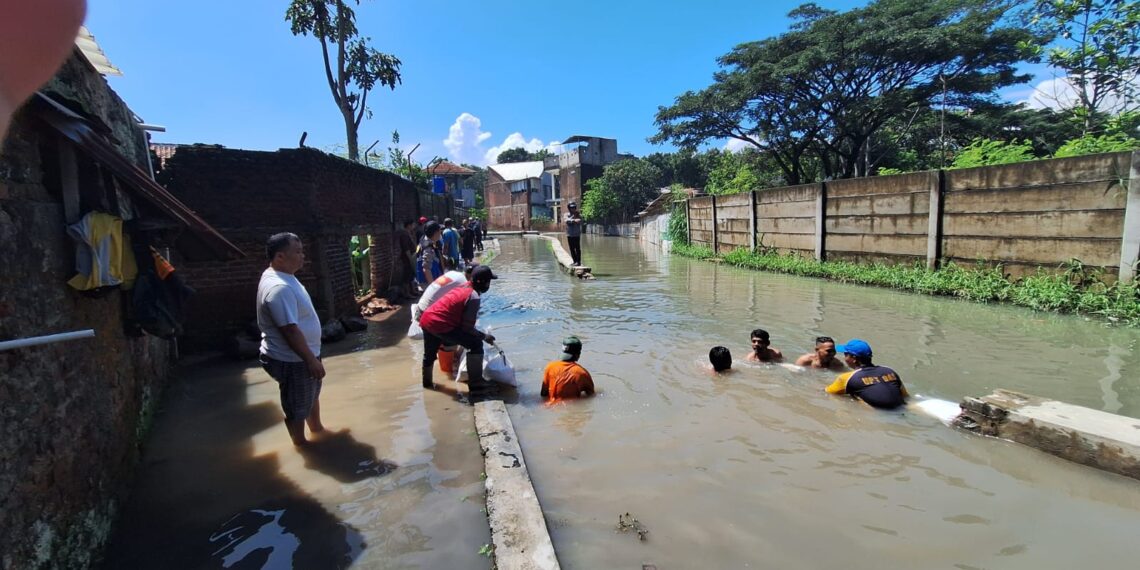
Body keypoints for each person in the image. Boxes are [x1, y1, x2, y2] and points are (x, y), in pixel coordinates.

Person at [257, 233, 326, 447]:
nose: (303, 256)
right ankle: (301, 445)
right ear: (279, 257)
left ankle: (318, 430)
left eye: (302, 251)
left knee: (311, 395)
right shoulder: (280, 288)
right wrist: (311, 360)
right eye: (297, 252)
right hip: (293, 359)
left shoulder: (283, 275)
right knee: (297, 405)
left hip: (305, 355)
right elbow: (290, 330)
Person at [419, 265, 499, 399]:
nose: (489, 284)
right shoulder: (473, 297)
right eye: (488, 281)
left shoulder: (463, 286)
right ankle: (476, 385)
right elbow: (467, 328)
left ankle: (426, 386)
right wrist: (484, 336)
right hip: (440, 324)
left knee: (429, 355)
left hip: (427, 319)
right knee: (475, 344)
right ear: (484, 283)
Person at [824, 339, 908, 409]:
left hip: (877, 414)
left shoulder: (847, 378)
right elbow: (905, 396)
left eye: (846, 354)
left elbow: (827, 393)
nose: (844, 357)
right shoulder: (890, 371)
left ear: (854, 358)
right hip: (902, 408)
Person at [416, 221, 443, 286]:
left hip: (429, 279)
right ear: (435, 233)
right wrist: (433, 287)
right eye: (440, 231)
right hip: (429, 282)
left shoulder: (423, 239)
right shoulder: (428, 248)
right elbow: (426, 268)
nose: (440, 233)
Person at [397, 220, 418, 296]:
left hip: (411, 257)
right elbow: (406, 249)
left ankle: (412, 291)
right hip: (407, 258)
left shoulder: (409, 234)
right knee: (407, 275)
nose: (413, 226)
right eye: (412, 225)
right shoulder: (404, 235)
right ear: (409, 225)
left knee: (411, 275)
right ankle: (407, 293)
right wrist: (410, 259)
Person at [564, 201, 583, 266]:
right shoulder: (566, 214)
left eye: (574, 208)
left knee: (577, 248)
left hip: (576, 234)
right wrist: (574, 220)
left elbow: (581, 221)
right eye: (571, 208)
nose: (573, 209)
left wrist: (574, 220)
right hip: (570, 234)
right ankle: (574, 261)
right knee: (572, 249)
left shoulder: (578, 214)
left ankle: (578, 262)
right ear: (569, 208)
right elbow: (566, 221)